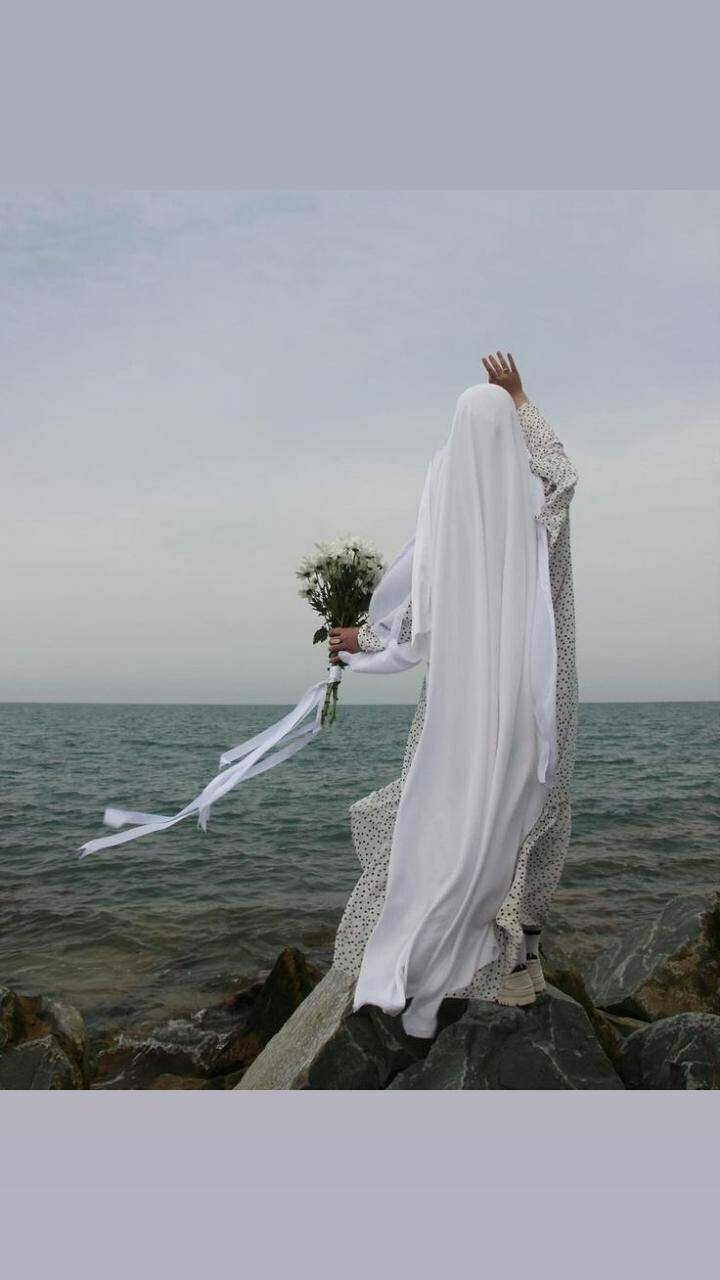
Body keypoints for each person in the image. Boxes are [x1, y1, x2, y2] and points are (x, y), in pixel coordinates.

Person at [327, 352, 579, 1036]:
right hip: (539, 698)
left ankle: (472, 956)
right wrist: (521, 401)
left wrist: (360, 641)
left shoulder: (451, 514)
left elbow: (418, 617)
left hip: (462, 707)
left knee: (447, 811)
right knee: (531, 814)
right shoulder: (539, 502)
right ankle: (520, 958)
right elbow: (564, 472)